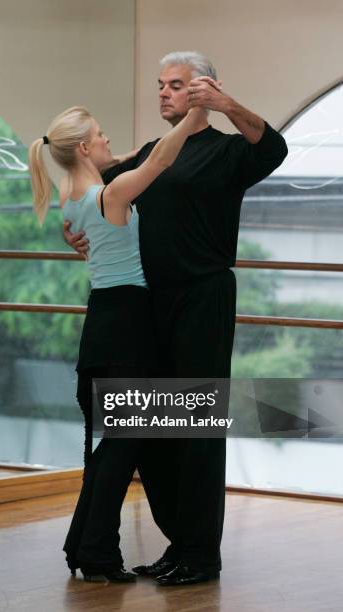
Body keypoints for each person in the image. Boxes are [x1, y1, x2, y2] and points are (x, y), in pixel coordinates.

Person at [63, 51, 288, 586]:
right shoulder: (150, 151)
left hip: (201, 302)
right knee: (152, 432)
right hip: (146, 308)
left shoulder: (230, 152)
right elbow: (92, 192)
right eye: (161, 84)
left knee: (196, 430)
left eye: (177, 85)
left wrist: (225, 105)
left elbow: (274, 146)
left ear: (203, 89)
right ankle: (177, 544)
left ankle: (201, 554)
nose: (163, 92)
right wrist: (74, 234)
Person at [28, 102, 207, 583]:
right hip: (127, 323)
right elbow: (159, 161)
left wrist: (120, 154)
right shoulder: (111, 194)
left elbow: (130, 157)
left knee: (115, 446)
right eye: (101, 136)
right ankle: (95, 551)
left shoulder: (71, 195)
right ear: (84, 147)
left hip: (103, 322)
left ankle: (89, 548)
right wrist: (195, 117)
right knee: (123, 443)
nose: (110, 142)